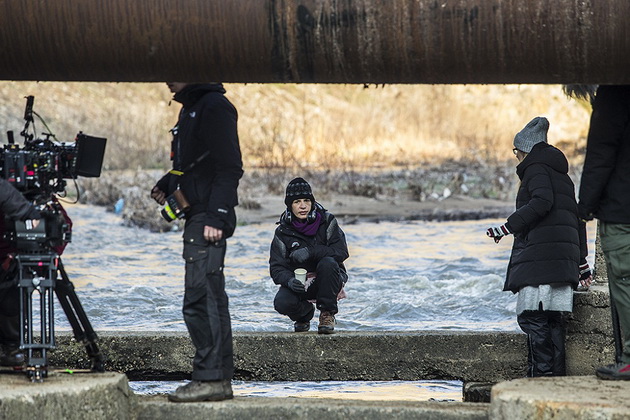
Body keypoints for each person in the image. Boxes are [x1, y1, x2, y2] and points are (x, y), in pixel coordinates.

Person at [151, 82, 243, 402]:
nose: (166, 79)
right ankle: (215, 378)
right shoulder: (192, 107)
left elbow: (230, 166)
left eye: (173, 72)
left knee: (202, 300)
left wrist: (217, 216)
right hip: (198, 215)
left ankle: (212, 379)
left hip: (207, 218)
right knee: (205, 298)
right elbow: (196, 165)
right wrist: (170, 181)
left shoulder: (214, 106)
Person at [486, 116, 591, 377]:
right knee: (553, 321)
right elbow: (575, 219)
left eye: (516, 152)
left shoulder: (535, 169)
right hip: (561, 259)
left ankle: (541, 381)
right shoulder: (562, 175)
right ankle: (555, 382)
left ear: (523, 151)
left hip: (540, 259)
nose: (516, 158)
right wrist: (582, 263)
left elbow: (541, 202)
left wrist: (507, 227)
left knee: (532, 318)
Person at [566, 85, 630, 380]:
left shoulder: (615, 92)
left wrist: (585, 207)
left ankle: (628, 358)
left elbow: (601, 150)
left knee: (625, 281)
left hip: (622, 210)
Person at [269, 177, 349, 334]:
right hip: (299, 283)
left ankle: (327, 314)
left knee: (328, 263)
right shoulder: (282, 231)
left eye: (307, 200)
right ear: (289, 205)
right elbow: (276, 268)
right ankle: (304, 314)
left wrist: (311, 252)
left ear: (312, 202)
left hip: (328, 278)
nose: (303, 206)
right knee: (281, 303)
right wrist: (289, 281)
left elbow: (341, 252)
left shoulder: (327, 221)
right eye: (297, 201)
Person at [0, 178, 41, 367]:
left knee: (13, 281)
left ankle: (13, 349)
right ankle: (12, 348)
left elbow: (61, 228)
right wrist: (27, 212)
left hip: (10, 262)